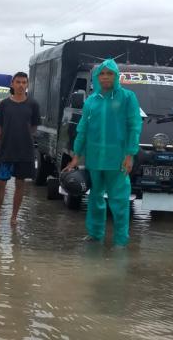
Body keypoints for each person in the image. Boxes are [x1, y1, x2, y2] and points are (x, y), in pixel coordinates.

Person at [64, 59, 143, 246]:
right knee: (95, 198)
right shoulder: (91, 101)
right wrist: (76, 156)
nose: (106, 77)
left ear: (116, 76)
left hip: (118, 160)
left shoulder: (127, 98)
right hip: (95, 159)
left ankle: (121, 240)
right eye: (102, 74)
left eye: (110, 74)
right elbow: (82, 129)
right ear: (97, 77)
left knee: (120, 201)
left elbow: (135, 126)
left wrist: (130, 154)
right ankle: (95, 234)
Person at [0, 72, 40, 227]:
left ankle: (14, 218)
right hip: (7, 150)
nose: (21, 85)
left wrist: (23, 137)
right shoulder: (4, 104)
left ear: (28, 84)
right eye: (18, 82)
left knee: (20, 184)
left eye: (24, 82)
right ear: (12, 84)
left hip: (25, 151)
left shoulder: (33, 104)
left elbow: (34, 127)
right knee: (0, 184)